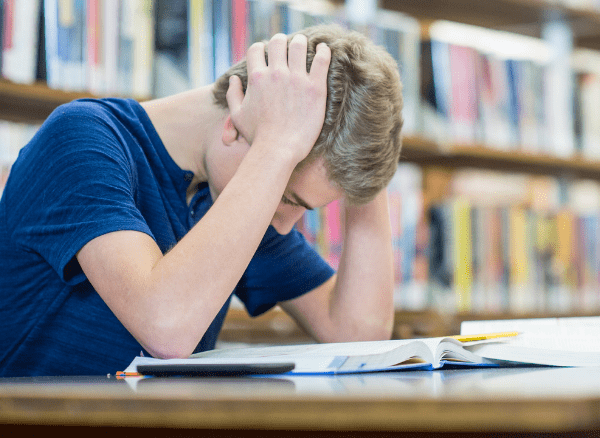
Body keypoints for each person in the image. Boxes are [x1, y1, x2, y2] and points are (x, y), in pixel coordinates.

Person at [0, 23, 404, 376]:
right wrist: (277, 147)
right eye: (286, 197)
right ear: (234, 124)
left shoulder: (227, 193)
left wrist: (368, 146)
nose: (284, 224)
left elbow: (357, 332)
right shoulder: (83, 139)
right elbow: (166, 326)